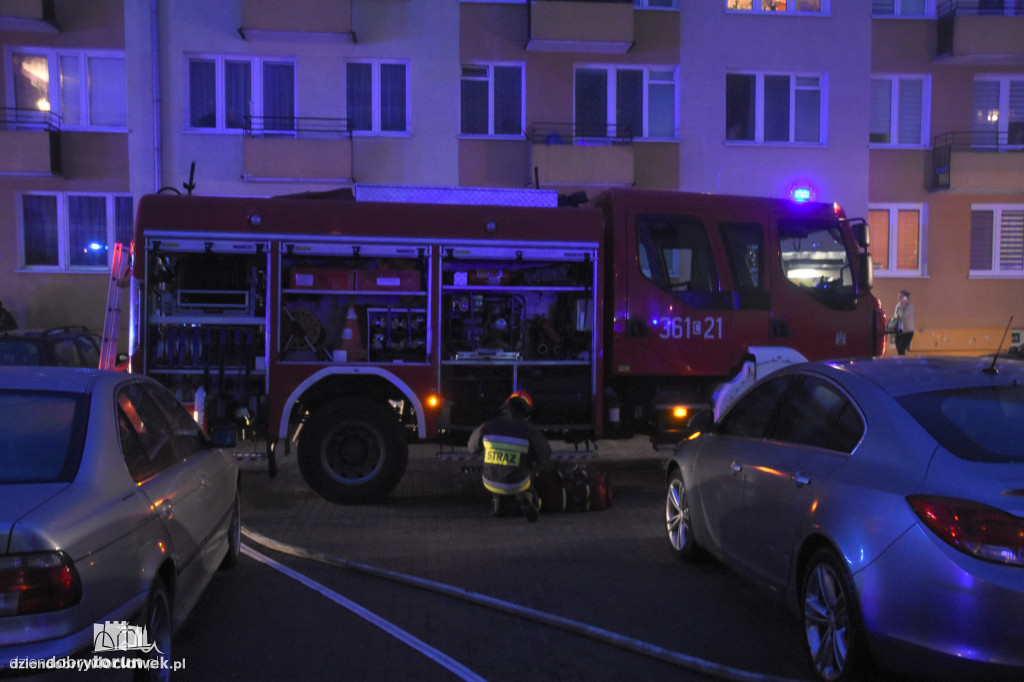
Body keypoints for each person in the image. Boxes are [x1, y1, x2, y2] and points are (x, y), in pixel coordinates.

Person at [467, 391, 551, 522]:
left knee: (494, 466)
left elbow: (472, 448)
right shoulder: (529, 429)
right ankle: (528, 497)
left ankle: (497, 504)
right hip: (518, 483)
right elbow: (545, 455)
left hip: (489, 481)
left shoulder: (487, 425)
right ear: (527, 411)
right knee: (528, 469)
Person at [893, 290, 915, 355]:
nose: (899, 298)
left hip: (907, 331)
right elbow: (896, 316)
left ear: (905, 298)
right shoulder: (898, 305)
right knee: (898, 348)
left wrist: (901, 307)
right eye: (898, 296)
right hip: (899, 330)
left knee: (901, 348)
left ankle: (902, 359)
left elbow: (903, 316)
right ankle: (901, 358)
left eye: (901, 296)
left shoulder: (909, 306)